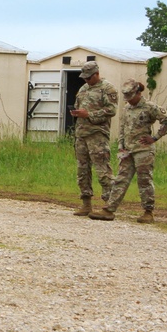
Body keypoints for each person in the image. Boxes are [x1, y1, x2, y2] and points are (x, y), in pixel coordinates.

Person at [89, 79, 167, 223]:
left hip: (143, 150)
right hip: (127, 150)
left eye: (131, 96)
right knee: (121, 179)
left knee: (144, 180)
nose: (129, 100)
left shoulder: (149, 107)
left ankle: (148, 212)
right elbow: (123, 128)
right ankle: (109, 209)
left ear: (138, 93)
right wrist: (121, 145)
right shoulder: (127, 108)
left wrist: (155, 138)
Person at [69, 61, 117, 216]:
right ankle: (86, 203)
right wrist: (77, 113)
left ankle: (109, 205)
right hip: (81, 134)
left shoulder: (107, 88)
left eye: (89, 78)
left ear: (97, 74)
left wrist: (89, 114)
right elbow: (79, 105)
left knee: (103, 170)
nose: (86, 80)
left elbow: (111, 110)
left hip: (97, 135)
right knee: (82, 170)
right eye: (84, 78)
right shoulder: (83, 88)